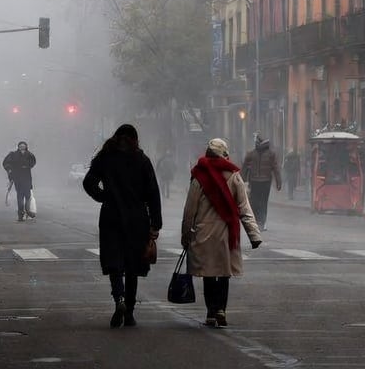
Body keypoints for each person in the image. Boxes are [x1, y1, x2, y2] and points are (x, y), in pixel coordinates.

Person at [82, 124, 163, 328]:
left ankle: (118, 300)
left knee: (114, 263)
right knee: (132, 265)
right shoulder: (142, 160)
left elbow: (88, 182)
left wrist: (103, 196)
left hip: (111, 216)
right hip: (137, 218)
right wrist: (155, 223)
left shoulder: (106, 157)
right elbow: (153, 192)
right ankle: (130, 311)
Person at [182, 137, 262, 328]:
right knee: (224, 273)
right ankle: (221, 310)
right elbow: (244, 208)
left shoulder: (198, 176)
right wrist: (254, 235)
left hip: (204, 233)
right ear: (225, 154)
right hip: (226, 233)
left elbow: (189, 210)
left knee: (209, 274)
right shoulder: (233, 175)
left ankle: (210, 312)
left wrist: (186, 235)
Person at [241, 134, 281, 230]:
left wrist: (243, 180)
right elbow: (276, 169)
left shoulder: (251, 154)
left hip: (255, 181)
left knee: (255, 202)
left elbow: (244, 168)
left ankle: (258, 222)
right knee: (262, 202)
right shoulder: (271, 154)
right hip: (265, 182)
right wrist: (278, 182)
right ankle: (261, 222)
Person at [2, 141, 37, 222]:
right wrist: (10, 170)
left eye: (23, 146)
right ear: (18, 147)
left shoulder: (29, 155)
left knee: (28, 196)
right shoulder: (13, 154)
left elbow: (33, 162)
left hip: (27, 177)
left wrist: (27, 165)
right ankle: (20, 214)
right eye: (20, 146)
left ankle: (28, 211)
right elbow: (5, 163)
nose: (22, 147)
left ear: (26, 146)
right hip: (17, 178)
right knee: (20, 196)